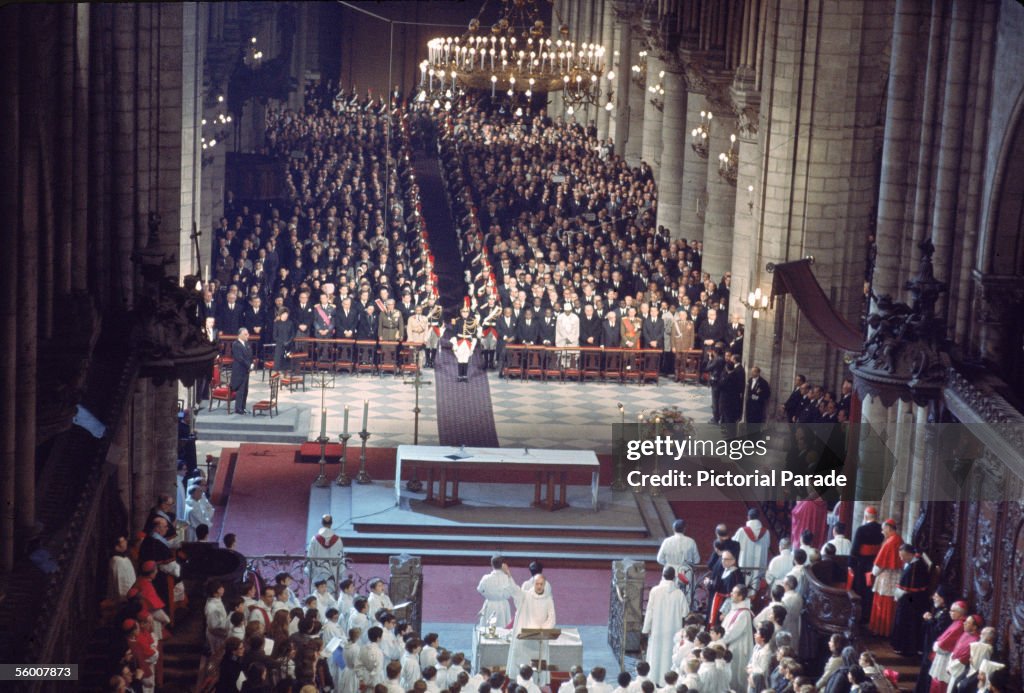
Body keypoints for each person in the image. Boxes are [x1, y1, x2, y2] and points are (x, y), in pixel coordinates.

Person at [505, 573, 556, 683]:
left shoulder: (548, 600)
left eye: (541, 584)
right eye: (537, 584)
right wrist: (509, 576)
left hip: (539, 641)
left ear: (544, 585)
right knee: (522, 669)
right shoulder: (526, 596)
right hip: (525, 641)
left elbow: (551, 618)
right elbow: (515, 591)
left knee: (537, 671)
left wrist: (543, 630)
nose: (539, 586)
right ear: (533, 584)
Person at [642, 567, 688, 685]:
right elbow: (685, 612)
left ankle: (654, 679)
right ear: (674, 577)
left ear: (662, 575)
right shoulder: (679, 593)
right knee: (669, 654)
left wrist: (646, 628)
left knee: (656, 654)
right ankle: (668, 680)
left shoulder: (655, 591)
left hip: (657, 629)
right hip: (673, 630)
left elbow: (650, 611)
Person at [891, 543, 930, 656]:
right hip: (911, 598)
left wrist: (898, 595)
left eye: (903, 556)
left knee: (906, 622)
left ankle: (904, 648)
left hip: (913, 601)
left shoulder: (915, 567)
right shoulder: (913, 562)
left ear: (909, 554)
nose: (901, 558)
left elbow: (909, 587)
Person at [869, 518, 904, 637]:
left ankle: (881, 631)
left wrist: (873, 574)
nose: (882, 532)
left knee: (884, 603)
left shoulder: (889, 543)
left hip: (886, 579)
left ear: (889, 528)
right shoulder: (899, 539)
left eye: (883, 529)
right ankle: (890, 631)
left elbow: (878, 566)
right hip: (897, 577)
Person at [850, 506, 884, 619]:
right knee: (871, 588)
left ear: (865, 516)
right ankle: (869, 614)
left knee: (861, 588)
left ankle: (860, 615)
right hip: (875, 563)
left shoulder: (861, 529)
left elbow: (855, 549)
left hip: (862, 564)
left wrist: (850, 564)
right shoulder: (881, 528)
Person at [720, 584, 754, 691]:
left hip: (738, 648)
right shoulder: (735, 609)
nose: (731, 594)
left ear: (740, 597)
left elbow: (733, 632)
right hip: (730, 646)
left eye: (734, 593)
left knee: (736, 677)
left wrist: (720, 641)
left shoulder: (744, 613)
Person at [929, 601, 967, 693]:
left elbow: (943, 646)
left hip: (946, 658)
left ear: (960, 613)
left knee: (941, 683)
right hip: (943, 657)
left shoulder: (959, 625)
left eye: (953, 611)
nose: (950, 613)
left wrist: (936, 645)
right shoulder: (956, 622)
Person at [655, 519, 700, 586]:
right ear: (684, 529)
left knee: (669, 593)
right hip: (685, 573)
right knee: (685, 594)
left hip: (669, 573)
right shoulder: (691, 542)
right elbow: (697, 560)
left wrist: (668, 564)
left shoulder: (666, 541)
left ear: (673, 529)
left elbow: (659, 559)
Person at [732, 508, 771, 583]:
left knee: (743, 587)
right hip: (759, 567)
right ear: (758, 518)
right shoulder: (766, 532)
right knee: (755, 587)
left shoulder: (742, 531)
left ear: (748, 517)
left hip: (744, 566)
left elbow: (733, 544)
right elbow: (768, 546)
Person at [477, 555, 516, 628]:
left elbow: (480, 589)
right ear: (503, 565)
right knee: (503, 627)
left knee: (488, 628)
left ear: (492, 565)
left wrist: (489, 594)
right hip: (503, 605)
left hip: (490, 604)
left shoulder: (486, 578)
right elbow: (513, 589)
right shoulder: (507, 578)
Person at [307, 514, 344, 584]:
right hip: (332, 575)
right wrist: (340, 574)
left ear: (321, 523)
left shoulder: (314, 539)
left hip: (318, 574)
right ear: (332, 523)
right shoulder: (338, 540)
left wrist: (310, 572)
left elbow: (310, 559)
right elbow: (341, 560)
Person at [230, 327, 255, 414]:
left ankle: (243, 407)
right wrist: (249, 365)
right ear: (240, 335)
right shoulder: (236, 344)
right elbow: (240, 358)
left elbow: (250, 355)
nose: (248, 335)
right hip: (239, 371)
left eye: (248, 334)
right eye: (245, 334)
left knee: (245, 390)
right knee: (240, 390)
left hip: (246, 370)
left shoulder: (246, 344)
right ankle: (238, 409)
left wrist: (251, 364)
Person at [108, 535, 136, 602]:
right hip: (126, 598)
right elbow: (121, 583)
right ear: (117, 547)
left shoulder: (124, 558)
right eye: (123, 541)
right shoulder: (117, 561)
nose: (126, 542)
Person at [205, 579, 230, 654]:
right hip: (217, 637)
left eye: (222, 587)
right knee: (217, 655)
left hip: (221, 634)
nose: (223, 589)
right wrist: (226, 635)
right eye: (220, 589)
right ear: (214, 593)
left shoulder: (218, 599)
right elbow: (213, 628)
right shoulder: (212, 608)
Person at [272, 307, 296, 374]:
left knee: (288, 362)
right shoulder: (277, 323)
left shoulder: (290, 323)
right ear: (281, 314)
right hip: (280, 345)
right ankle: (279, 374)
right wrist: (282, 342)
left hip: (289, 345)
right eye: (284, 314)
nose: (285, 315)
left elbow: (293, 334)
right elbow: (274, 336)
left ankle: (287, 373)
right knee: (279, 362)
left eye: (286, 314)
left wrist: (289, 341)